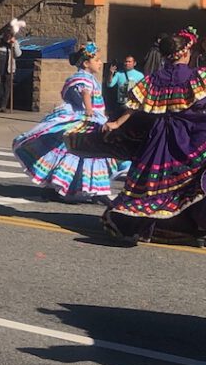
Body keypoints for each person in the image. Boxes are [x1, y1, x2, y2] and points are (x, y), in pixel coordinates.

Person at [102, 27, 206, 244]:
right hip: (188, 134)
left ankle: (148, 225)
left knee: (152, 183)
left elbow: (133, 105)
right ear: (186, 53)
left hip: (159, 136)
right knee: (188, 179)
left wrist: (116, 123)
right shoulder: (196, 76)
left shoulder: (154, 78)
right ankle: (187, 224)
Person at [12, 41, 128, 202]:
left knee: (76, 155)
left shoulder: (87, 77)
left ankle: (58, 187)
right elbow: (85, 92)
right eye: (97, 60)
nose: (100, 63)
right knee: (92, 154)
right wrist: (89, 109)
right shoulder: (83, 77)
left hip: (89, 118)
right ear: (86, 63)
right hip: (84, 120)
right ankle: (95, 191)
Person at [0, 24, 21, 112]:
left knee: (7, 89)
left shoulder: (14, 43)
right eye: (5, 36)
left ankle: (3, 106)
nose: (7, 39)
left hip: (9, 70)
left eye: (9, 37)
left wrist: (14, 45)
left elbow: (18, 54)